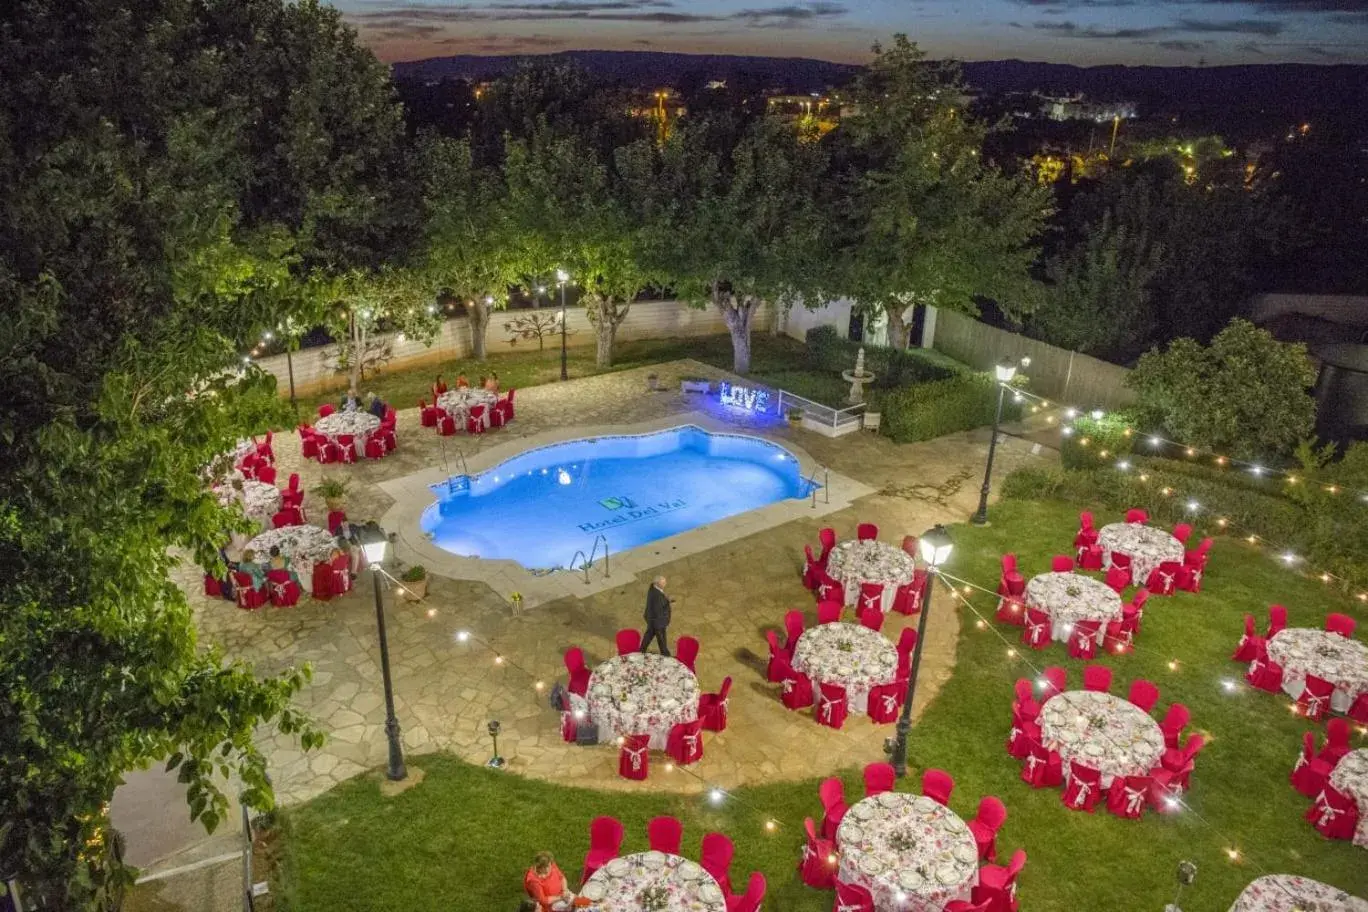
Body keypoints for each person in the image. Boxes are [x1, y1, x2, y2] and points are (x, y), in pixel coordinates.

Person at [642, 575, 671, 657]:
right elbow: (658, 611)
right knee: (661, 639)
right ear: (657, 583)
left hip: (652, 620)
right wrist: (667, 603)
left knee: (649, 635)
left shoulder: (653, 588)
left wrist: (666, 601)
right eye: (663, 582)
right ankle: (666, 655)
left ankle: (641, 651)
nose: (665, 583)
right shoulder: (657, 595)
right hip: (658, 621)